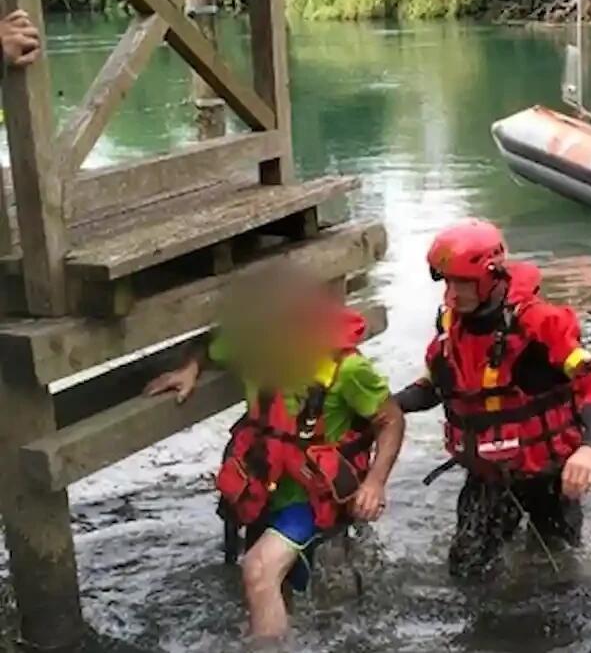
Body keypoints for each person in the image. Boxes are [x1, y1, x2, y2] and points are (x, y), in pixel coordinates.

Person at [144, 266, 404, 643]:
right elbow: (212, 345)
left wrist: (375, 483)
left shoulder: (348, 368)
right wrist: (190, 368)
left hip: (312, 498)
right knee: (274, 588)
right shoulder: (255, 346)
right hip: (265, 488)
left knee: (258, 570)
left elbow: (391, 420)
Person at [394, 218, 591, 579]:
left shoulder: (541, 325)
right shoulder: (452, 325)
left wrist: (590, 447)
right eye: (447, 281)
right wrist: (386, 408)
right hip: (488, 476)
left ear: (490, 276)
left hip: (549, 475)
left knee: (558, 575)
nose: (452, 294)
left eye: (462, 283)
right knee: (466, 574)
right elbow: (436, 387)